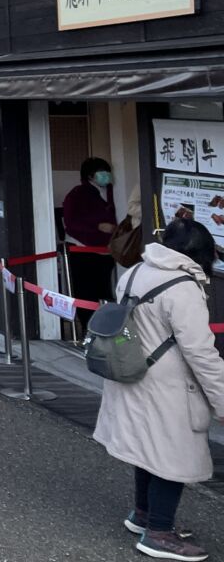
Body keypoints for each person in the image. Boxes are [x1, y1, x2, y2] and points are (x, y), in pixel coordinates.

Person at [94, 218, 224, 561]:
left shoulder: (136, 270)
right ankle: (160, 535)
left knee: (146, 448)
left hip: (133, 369)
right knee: (172, 455)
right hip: (168, 385)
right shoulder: (183, 286)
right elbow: (200, 352)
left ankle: (144, 515)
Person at [63, 156, 118, 330]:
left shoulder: (110, 191)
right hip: (82, 250)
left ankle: (104, 330)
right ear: (90, 176)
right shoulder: (77, 194)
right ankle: (89, 330)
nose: (106, 176)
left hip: (106, 251)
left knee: (104, 291)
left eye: (107, 172)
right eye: (101, 173)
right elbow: (71, 222)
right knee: (86, 293)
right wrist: (97, 226)